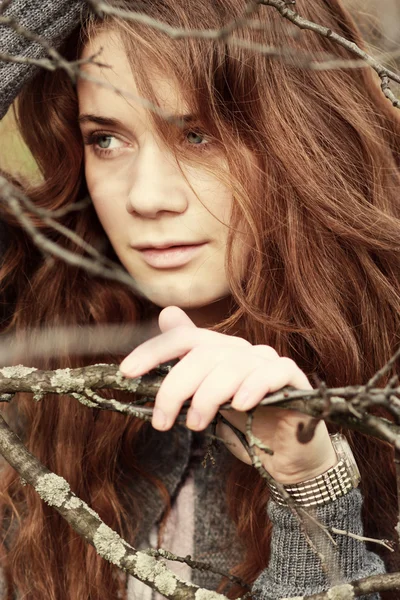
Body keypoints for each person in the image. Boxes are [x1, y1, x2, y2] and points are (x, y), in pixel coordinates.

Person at [0, 0, 399, 598]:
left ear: (305, 141)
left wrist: (309, 482)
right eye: (106, 138)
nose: (147, 197)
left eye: (197, 134)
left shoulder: (385, 371)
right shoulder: (34, 312)